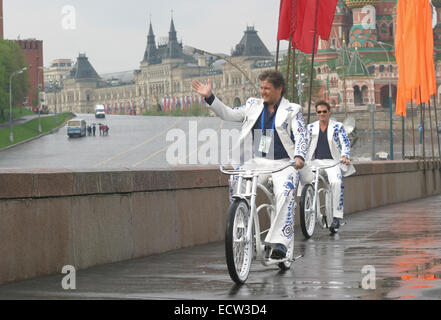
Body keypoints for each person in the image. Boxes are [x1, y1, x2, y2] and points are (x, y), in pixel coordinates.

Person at [192, 70, 308, 260]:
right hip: (257, 162)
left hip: (285, 163)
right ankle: (242, 227)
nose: (263, 92)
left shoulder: (293, 110)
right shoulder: (253, 105)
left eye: (267, 88)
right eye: (261, 88)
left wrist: (299, 156)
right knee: (237, 181)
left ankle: (280, 243)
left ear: (279, 89)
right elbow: (229, 114)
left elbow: (301, 134)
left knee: (285, 192)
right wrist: (210, 97)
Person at [299, 100, 355, 234]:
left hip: (333, 162)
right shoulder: (310, 128)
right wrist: (299, 156)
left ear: (329, 112)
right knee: (307, 181)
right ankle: (310, 208)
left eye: (324, 111)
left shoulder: (338, 127)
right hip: (315, 162)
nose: (322, 114)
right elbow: (303, 144)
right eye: (319, 112)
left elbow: (345, 142)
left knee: (336, 182)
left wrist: (345, 156)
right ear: (316, 114)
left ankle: (336, 217)